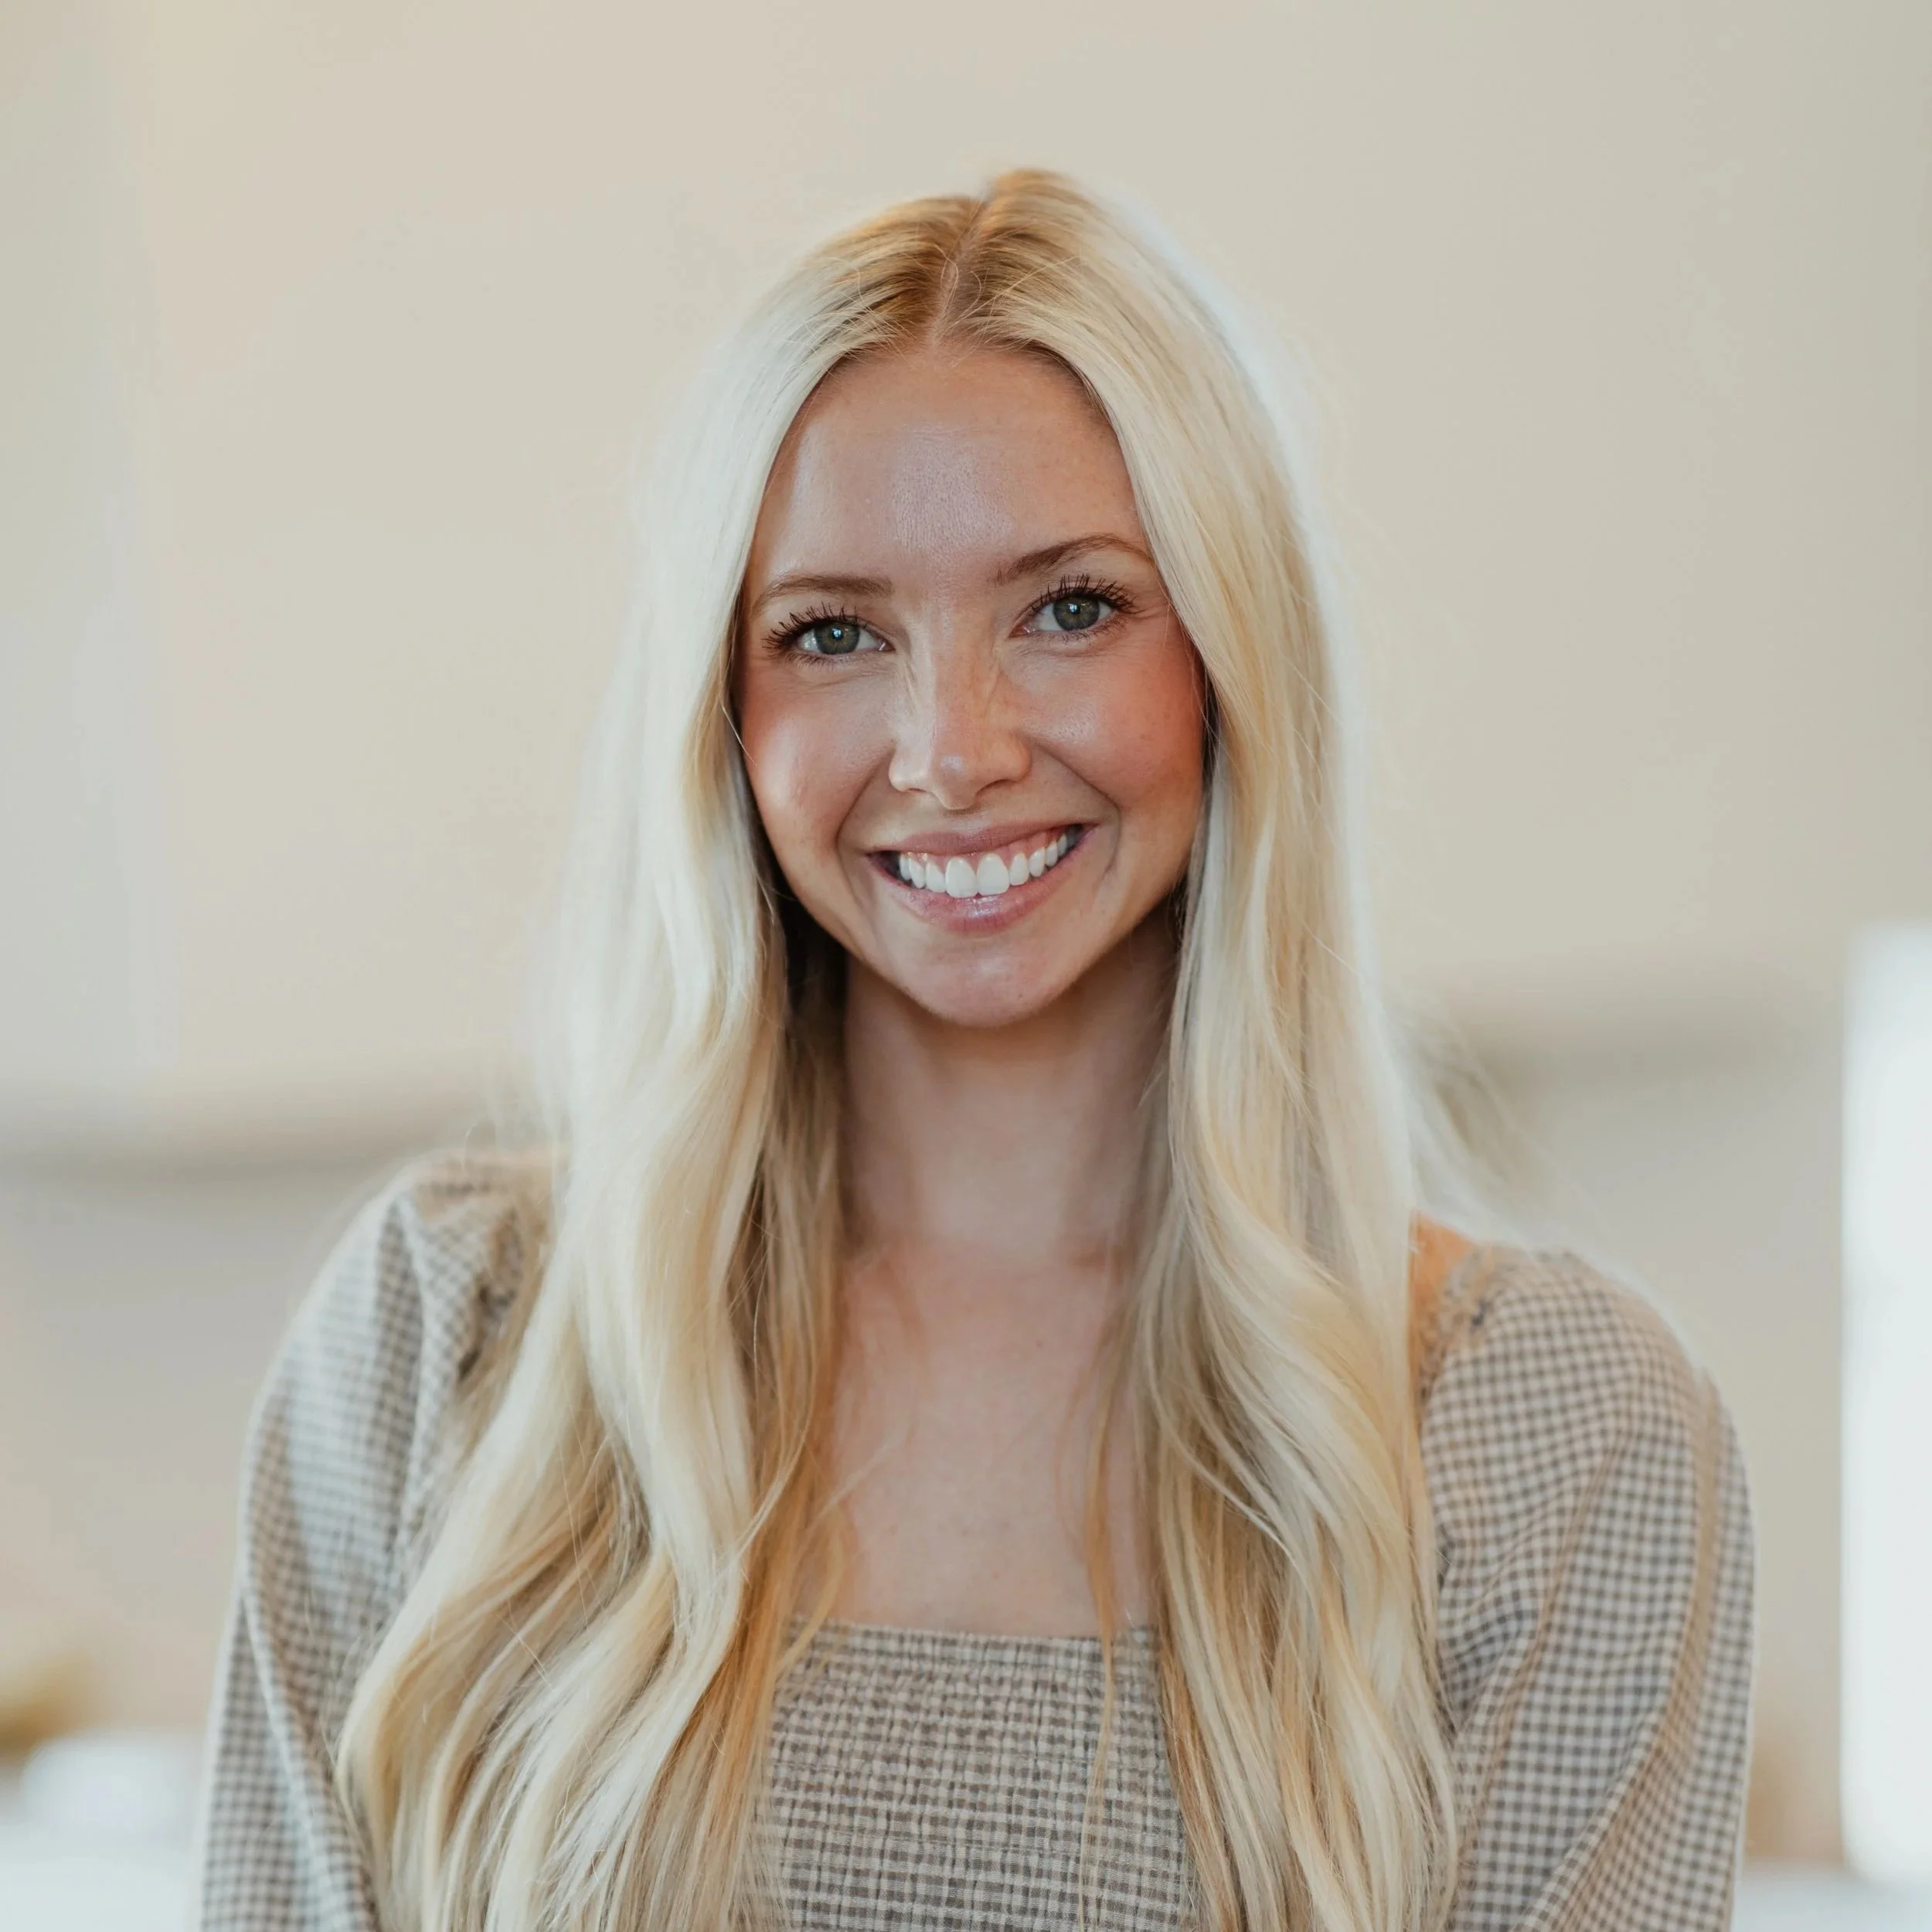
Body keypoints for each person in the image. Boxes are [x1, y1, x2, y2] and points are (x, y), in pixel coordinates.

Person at [192, 171, 1753, 1932]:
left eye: (1069, 607)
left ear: (1229, 659)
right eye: (831, 633)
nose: (950, 750)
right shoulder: (447, 1344)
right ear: (725, 712)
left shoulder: (1549, 1431)